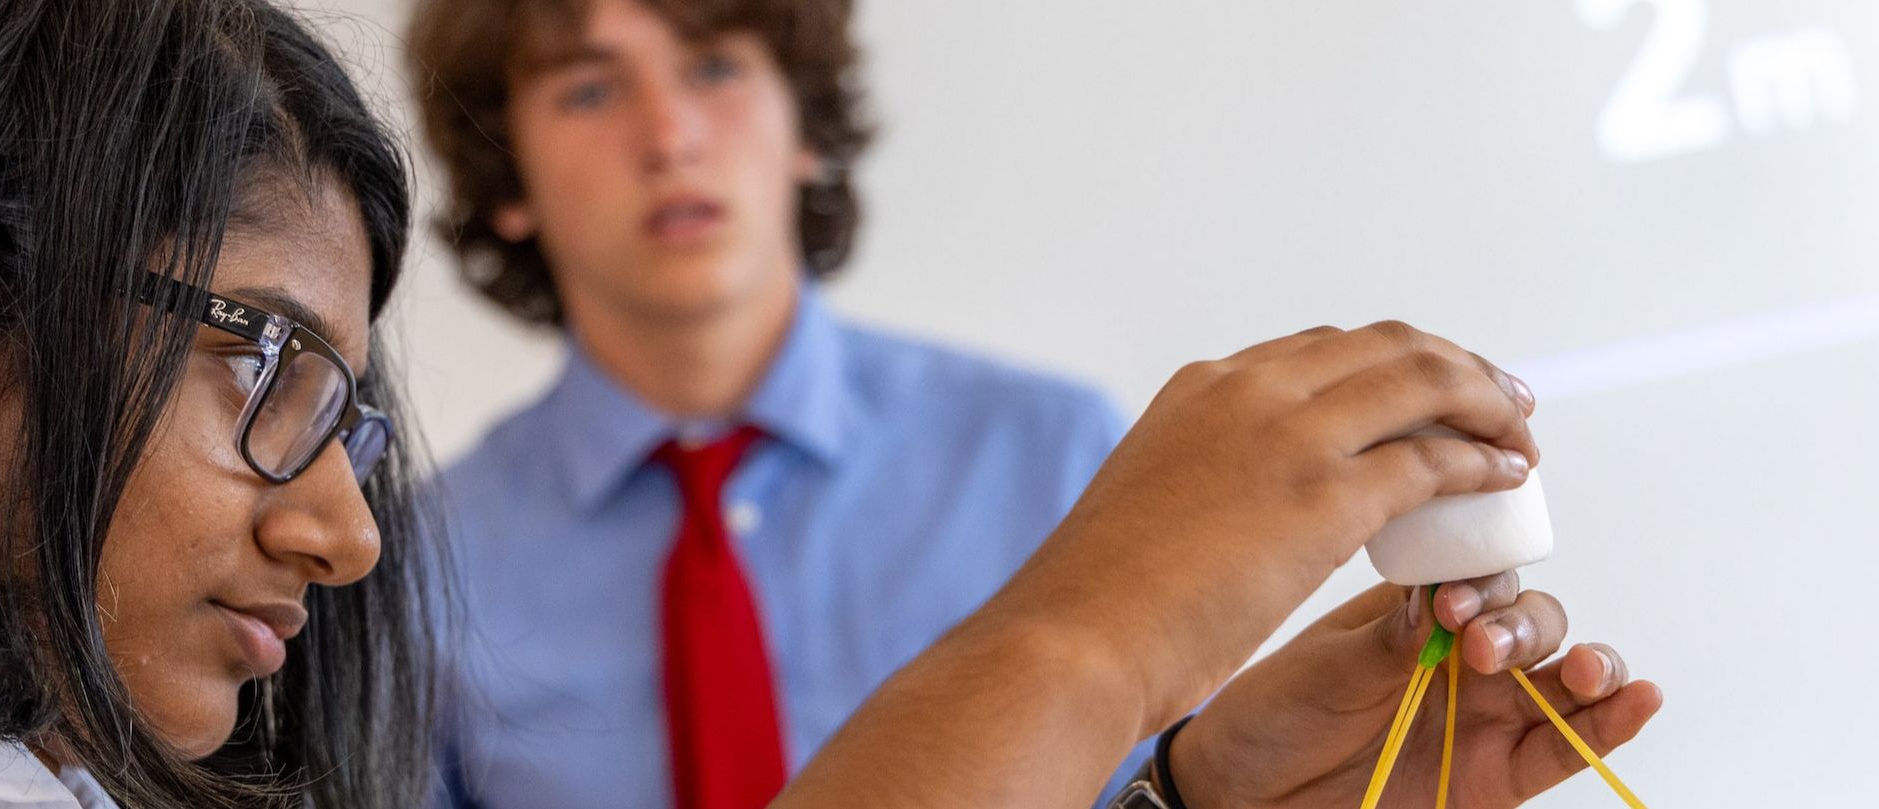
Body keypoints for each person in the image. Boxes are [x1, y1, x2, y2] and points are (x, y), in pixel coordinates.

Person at [0, 0, 1645, 807]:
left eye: (345, 409)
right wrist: (1078, 639)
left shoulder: (65, 764)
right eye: (260, 359)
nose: (349, 535)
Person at [401, 0, 1662, 807]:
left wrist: (1202, 796)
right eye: (586, 86)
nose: (669, 132)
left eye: (716, 62)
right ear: (505, 174)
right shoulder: (405, 571)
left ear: (800, 125)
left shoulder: (1058, 449)